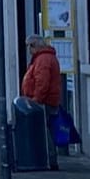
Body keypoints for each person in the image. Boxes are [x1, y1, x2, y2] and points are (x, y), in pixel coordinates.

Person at [20, 38, 64, 170]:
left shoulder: (43, 59)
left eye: (29, 47)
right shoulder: (44, 57)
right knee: (45, 129)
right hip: (46, 100)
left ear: (34, 46)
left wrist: (36, 99)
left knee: (44, 131)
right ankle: (47, 158)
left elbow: (42, 82)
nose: (28, 50)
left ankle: (49, 159)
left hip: (44, 101)